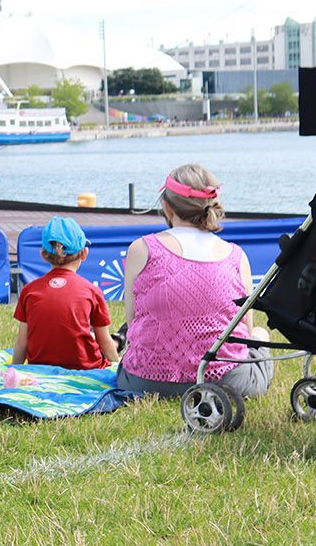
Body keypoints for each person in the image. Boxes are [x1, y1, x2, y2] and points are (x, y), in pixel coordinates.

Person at [116, 164, 275, 398]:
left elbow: (132, 320)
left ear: (166, 205)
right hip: (228, 382)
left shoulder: (141, 249)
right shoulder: (236, 255)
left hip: (143, 380)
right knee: (260, 334)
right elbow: (245, 330)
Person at [12, 217, 119, 370]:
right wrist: (116, 367)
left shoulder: (30, 290)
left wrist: (14, 369)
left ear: (43, 254)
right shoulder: (91, 291)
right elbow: (104, 342)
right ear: (84, 253)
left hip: (40, 367)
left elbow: (22, 342)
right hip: (85, 367)